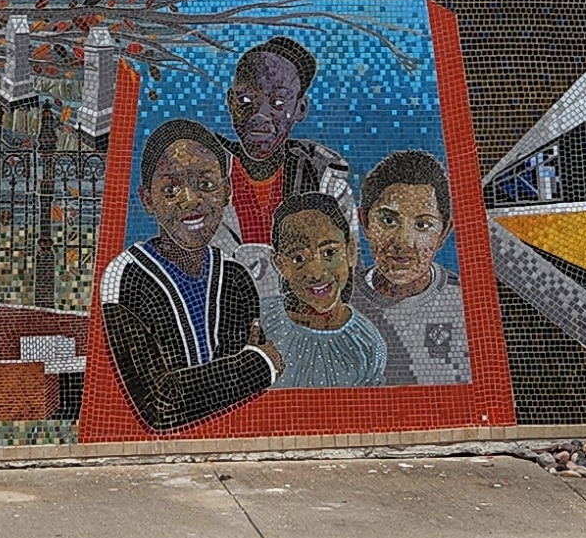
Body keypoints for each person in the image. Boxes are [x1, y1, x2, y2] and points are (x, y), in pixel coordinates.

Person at [100, 120, 278, 432]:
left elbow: (233, 389)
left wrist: (224, 377)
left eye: (206, 185)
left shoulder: (235, 278)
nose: (190, 200)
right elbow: (160, 404)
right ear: (148, 200)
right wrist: (259, 366)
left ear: (226, 192)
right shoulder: (124, 277)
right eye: (170, 189)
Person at [213, 37, 352, 269]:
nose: (259, 114)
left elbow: (346, 268)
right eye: (245, 99)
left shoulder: (324, 180)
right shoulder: (205, 171)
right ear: (230, 101)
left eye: (278, 103)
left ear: (300, 109)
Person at [353, 149, 471, 385]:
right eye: (388, 220)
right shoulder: (342, 302)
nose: (403, 241)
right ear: (365, 222)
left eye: (422, 224)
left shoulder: (465, 304)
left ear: (443, 233)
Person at [261, 190, 393, 389]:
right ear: (280, 265)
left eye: (329, 252)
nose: (316, 272)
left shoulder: (367, 345)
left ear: (350, 253)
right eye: (298, 258)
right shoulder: (260, 320)